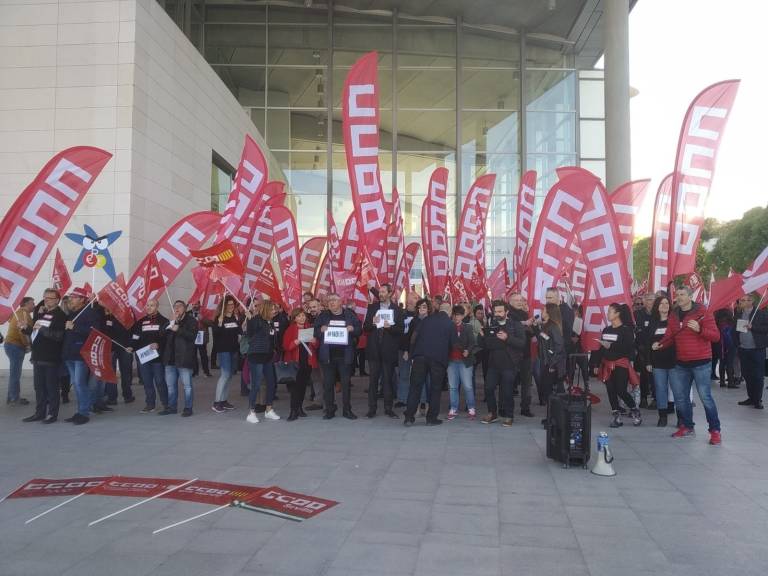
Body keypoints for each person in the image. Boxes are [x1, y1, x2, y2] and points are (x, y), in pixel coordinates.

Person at [653, 286, 722, 444]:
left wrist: (699, 329)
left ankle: (715, 430)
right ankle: (687, 426)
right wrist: (660, 344)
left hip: (701, 362)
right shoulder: (674, 314)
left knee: (705, 397)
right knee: (680, 398)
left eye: (683, 294)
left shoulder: (703, 312)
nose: (679, 297)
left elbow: (716, 336)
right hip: (680, 363)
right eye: (677, 295)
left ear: (691, 296)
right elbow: (670, 336)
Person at [404, 302, 456, 426]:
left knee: (415, 387)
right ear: (449, 312)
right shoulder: (450, 324)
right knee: (435, 389)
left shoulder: (426, 320)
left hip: (420, 357)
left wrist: (412, 353)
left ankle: (409, 417)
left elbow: (414, 337)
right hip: (438, 360)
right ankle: (431, 418)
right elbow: (454, 344)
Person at [314, 293, 361, 420]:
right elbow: (316, 332)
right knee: (328, 384)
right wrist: (320, 330)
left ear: (341, 302)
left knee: (346, 384)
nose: (331, 302)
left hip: (345, 356)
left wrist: (353, 329)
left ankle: (347, 410)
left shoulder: (349, 314)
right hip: (328, 356)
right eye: (329, 300)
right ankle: (330, 409)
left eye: (334, 300)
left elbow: (359, 330)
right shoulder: (323, 316)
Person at [22, 289, 67, 424]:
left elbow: (58, 336)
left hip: (51, 357)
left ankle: (52, 414)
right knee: (39, 387)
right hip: (38, 356)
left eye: (50, 298)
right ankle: (39, 412)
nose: (46, 300)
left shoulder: (60, 315)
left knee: (51, 387)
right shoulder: (42, 313)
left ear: (57, 300)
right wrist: (25, 328)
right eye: (45, 297)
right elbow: (35, 332)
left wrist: (41, 329)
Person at [594, 303, 642, 428]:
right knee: (610, 390)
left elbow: (628, 348)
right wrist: (595, 363)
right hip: (607, 364)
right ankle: (616, 417)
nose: (608, 314)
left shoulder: (626, 330)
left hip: (621, 363)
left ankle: (634, 410)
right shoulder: (607, 329)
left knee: (621, 390)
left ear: (617, 314)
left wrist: (611, 346)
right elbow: (601, 348)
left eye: (610, 311)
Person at [61, 287, 105, 425]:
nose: (71, 299)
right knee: (77, 384)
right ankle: (80, 411)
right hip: (69, 354)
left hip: (80, 354)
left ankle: (84, 412)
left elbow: (94, 331)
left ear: (81, 299)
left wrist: (74, 327)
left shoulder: (89, 313)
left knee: (80, 384)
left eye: (74, 297)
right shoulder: (72, 313)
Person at [480, 300, 526, 427]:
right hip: (493, 364)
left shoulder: (515, 325)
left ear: (507, 312)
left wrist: (507, 338)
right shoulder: (492, 324)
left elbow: (522, 343)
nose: (497, 313)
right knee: (488, 388)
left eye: (500, 311)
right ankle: (492, 413)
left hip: (509, 364)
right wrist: (482, 337)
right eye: (496, 311)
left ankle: (509, 416)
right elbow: (486, 345)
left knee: (507, 391)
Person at [363, 284, 404, 418]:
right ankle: (371, 409)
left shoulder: (397, 309)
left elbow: (400, 329)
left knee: (388, 380)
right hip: (374, 350)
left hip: (388, 350)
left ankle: (388, 408)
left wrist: (389, 327)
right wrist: (373, 323)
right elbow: (366, 327)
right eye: (379, 292)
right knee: (373, 381)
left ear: (390, 293)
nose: (380, 294)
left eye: (383, 292)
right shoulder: (373, 308)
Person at [131, 299, 170, 413]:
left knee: (159, 381)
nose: (149, 307)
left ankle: (165, 403)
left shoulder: (164, 321)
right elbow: (135, 337)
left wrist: (159, 344)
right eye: (147, 305)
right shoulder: (140, 322)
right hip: (144, 357)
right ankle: (150, 404)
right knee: (147, 382)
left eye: (152, 305)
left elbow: (167, 339)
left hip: (157, 358)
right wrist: (131, 346)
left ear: (157, 307)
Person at [245, 299, 280, 423]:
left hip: (268, 356)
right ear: (266, 309)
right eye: (272, 309)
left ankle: (269, 410)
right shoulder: (256, 320)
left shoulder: (270, 322)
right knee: (256, 384)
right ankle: (251, 412)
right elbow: (249, 334)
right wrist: (250, 318)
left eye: (275, 309)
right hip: (256, 355)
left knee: (271, 383)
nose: (274, 311)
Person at [161, 300, 198, 417]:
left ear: (185, 308)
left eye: (179, 306)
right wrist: (172, 322)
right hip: (170, 359)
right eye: (175, 306)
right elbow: (161, 334)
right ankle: (172, 407)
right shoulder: (171, 321)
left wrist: (179, 330)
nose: (177, 308)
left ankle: (188, 408)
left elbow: (192, 336)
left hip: (184, 358)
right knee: (171, 386)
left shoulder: (191, 320)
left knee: (187, 386)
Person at [282, 308, 318, 421]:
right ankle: (293, 410)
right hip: (295, 363)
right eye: (299, 316)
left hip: (306, 362)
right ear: (295, 318)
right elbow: (286, 346)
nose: (302, 318)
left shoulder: (309, 328)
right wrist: (295, 342)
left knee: (302, 387)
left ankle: (299, 408)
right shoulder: (290, 330)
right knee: (294, 388)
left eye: (303, 316)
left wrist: (314, 341)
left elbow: (316, 346)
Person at [646, 295, 676, 427]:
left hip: (674, 361)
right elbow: (648, 344)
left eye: (667, 303)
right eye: (661, 304)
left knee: (677, 390)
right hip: (658, 362)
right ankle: (662, 416)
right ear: (657, 307)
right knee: (660, 389)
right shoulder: (653, 322)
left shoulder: (674, 321)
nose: (664, 306)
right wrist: (648, 361)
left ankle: (681, 417)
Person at [534, 303, 566, 426]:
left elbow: (559, 346)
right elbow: (544, 339)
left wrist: (552, 364)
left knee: (551, 392)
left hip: (552, 364)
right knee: (548, 392)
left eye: (544, 310)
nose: (542, 311)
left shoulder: (553, 326)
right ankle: (550, 417)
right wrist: (537, 328)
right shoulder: (546, 326)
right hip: (546, 362)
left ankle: (554, 419)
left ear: (549, 312)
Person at [735, 293, 768, 409]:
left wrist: (752, 327)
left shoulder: (760, 313)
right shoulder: (739, 314)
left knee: (758, 375)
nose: (741, 302)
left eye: (743, 300)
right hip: (743, 349)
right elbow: (736, 330)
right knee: (747, 374)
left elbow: (766, 328)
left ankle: (757, 400)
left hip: (757, 349)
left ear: (751, 301)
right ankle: (751, 397)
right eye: (740, 300)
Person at [211, 296, 241, 413]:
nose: (231, 307)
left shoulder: (235, 317)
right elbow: (216, 334)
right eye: (228, 305)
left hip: (233, 350)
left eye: (232, 305)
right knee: (225, 375)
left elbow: (239, 332)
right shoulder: (219, 318)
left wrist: (242, 327)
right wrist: (219, 323)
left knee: (229, 376)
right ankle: (217, 402)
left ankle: (224, 400)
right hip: (223, 351)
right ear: (224, 306)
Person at [447, 305, 477, 420]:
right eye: (454, 315)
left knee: (468, 386)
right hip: (451, 361)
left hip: (465, 361)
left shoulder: (468, 327)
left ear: (463, 316)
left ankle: (471, 408)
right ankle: (453, 408)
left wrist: (467, 351)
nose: (456, 317)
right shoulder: (449, 327)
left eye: (459, 315)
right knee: (453, 386)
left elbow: (473, 342)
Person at [508, 292, 535, 418]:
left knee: (526, 382)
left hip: (526, 353)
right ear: (511, 302)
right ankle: (507, 407)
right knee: (509, 381)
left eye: (521, 300)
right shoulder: (508, 315)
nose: (520, 302)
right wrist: (524, 325)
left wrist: (530, 327)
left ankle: (525, 407)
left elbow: (530, 333)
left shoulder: (524, 314)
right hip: (512, 354)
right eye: (517, 300)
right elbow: (511, 332)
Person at [4, 296, 34, 406]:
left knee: (14, 373)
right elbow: (22, 331)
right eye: (32, 303)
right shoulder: (23, 314)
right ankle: (14, 398)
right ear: (26, 304)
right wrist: (28, 345)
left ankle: (12, 396)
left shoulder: (19, 313)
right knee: (15, 373)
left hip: (11, 345)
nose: (34, 305)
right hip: (15, 346)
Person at [102, 309, 135, 405]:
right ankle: (112, 398)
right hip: (110, 348)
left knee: (126, 372)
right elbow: (103, 330)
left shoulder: (127, 315)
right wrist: (107, 316)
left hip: (125, 347)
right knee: (110, 373)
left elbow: (131, 330)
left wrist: (131, 345)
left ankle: (127, 395)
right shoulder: (105, 316)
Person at [395, 291, 419, 408]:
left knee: (417, 375)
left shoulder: (420, 316)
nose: (411, 300)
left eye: (414, 298)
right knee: (403, 374)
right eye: (410, 297)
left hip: (417, 350)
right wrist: (405, 349)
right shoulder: (401, 314)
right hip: (402, 348)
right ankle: (402, 398)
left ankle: (418, 399)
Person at [634, 293, 657, 408]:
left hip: (656, 348)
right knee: (643, 374)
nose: (651, 302)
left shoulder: (658, 314)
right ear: (644, 301)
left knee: (655, 374)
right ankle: (643, 397)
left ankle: (655, 398)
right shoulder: (638, 314)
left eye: (653, 300)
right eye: (648, 300)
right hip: (642, 348)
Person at [713, 309, 737, 388]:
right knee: (730, 363)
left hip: (719, 346)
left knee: (722, 363)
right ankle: (730, 382)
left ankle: (722, 382)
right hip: (731, 346)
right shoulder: (731, 323)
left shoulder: (716, 323)